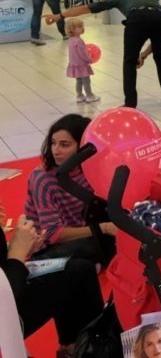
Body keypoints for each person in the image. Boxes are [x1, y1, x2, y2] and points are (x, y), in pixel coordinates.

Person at [1, 203, 104, 358]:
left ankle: (77, 346)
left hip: (8, 280)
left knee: (79, 270)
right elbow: (6, 298)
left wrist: (19, 247)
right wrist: (17, 254)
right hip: (5, 306)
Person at [44, 0, 161, 108]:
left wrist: (60, 16)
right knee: (160, 56)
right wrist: (143, 55)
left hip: (137, 18)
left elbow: (87, 8)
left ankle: (130, 104)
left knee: (129, 62)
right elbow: (155, 35)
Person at [24, 114, 117, 262]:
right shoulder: (42, 178)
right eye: (53, 143)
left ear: (83, 146)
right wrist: (104, 228)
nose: (56, 150)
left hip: (85, 230)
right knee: (90, 248)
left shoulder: (90, 168)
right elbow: (53, 234)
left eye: (64, 145)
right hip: (45, 246)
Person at [65, 18, 100, 103]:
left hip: (74, 64)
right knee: (86, 81)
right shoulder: (79, 41)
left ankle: (79, 95)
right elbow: (83, 53)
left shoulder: (70, 40)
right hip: (82, 65)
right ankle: (89, 96)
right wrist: (89, 59)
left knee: (78, 81)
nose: (82, 28)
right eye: (79, 27)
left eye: (81, 26)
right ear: (72, 30)